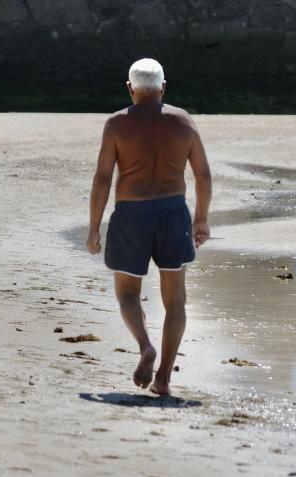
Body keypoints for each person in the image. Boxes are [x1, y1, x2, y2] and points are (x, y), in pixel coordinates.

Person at [86, 58, 212, 396]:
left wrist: (94, 228)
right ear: (163, 88)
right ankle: (165, 378)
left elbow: (102, 179)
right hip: (172, 212)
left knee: (127, 292)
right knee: (176, 300)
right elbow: (202, 174)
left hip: (131, 212)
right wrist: (201, 218)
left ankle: (144, 345)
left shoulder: (116, 124)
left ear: (130, 89)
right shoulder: (183, 121)